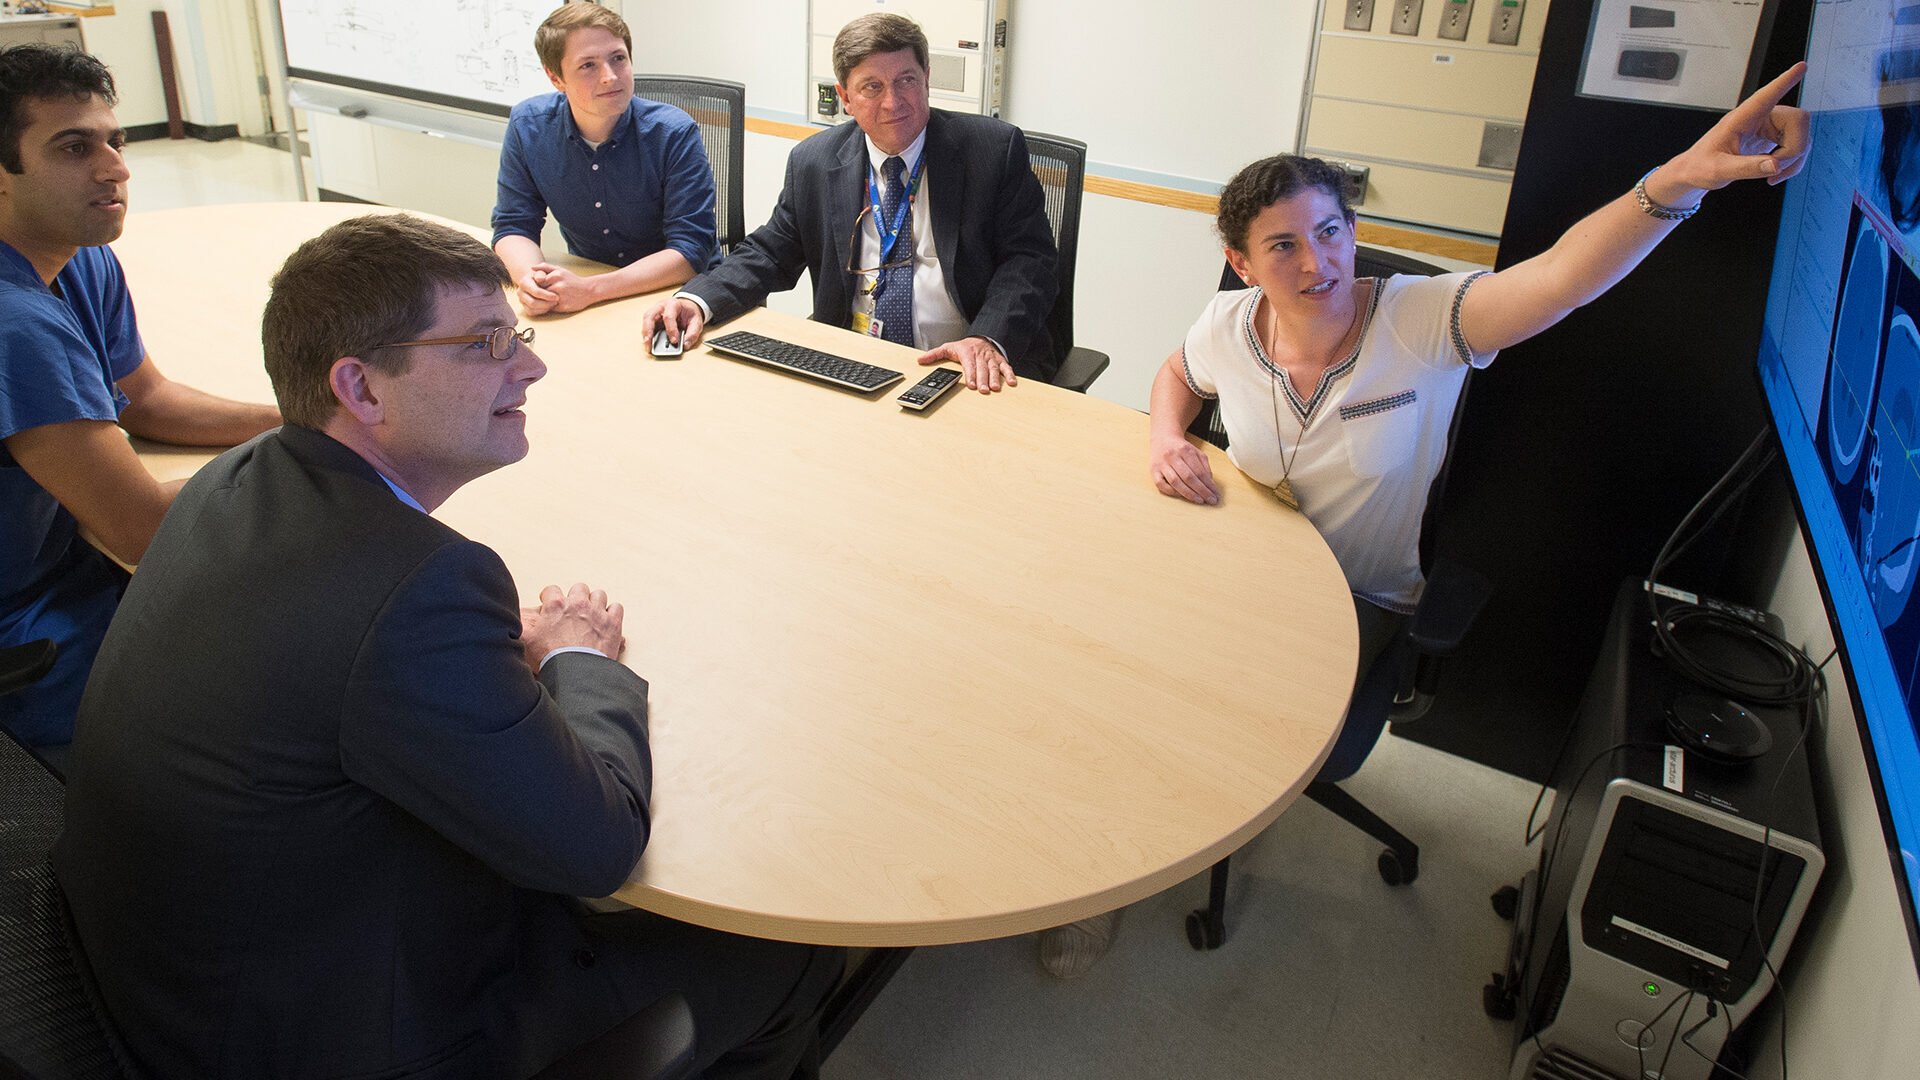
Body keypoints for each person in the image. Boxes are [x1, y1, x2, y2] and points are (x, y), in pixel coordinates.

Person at [1034, 63, 1816, 982]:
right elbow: (1176, 374)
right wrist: (1166, 437)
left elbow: (1563, 279)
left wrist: (1676, 181)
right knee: (1094, 666)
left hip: (1356, 599)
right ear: (1243, 263)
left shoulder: (1424, 320)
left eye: (1331, 232)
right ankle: (1088, 866)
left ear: (1353, 230)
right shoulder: (1229, 323)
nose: (1317, 262)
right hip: (1234, 564)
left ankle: (1121, 867)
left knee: (1184, 713)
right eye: (1282, 246)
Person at [54, 214, 841, 1080]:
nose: (531, 365)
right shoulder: (420, 589)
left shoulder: (230, 481)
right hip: (328, 1037)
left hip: (176, 979)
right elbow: (598, 847)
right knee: (785, 952)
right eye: (486, 343)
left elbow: (348, 660)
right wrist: (584, 661)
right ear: (361, 388)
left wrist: (483, 657)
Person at [0, 44, 280, 761]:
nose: (116, 168)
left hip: (72, 562)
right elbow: (143, 530)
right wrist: (324, 451)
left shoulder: (78, 251)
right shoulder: (16, 325)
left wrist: (299, 416)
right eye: (73, 147)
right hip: (29, 622)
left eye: (115, 141)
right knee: (273, 729)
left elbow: (144, 399)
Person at [640, 12, 1059, 393]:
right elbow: (768, 253)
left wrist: (986, 338)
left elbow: (1030, 261)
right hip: (857, 364)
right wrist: (694, 300)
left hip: (964, 369)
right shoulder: (814, 162)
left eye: (906, 80)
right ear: (845, 97)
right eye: (872, 87)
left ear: (927, 77)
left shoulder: (991, 150)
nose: (893, 102)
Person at [492, 2, 718, 316]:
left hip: (675, 297)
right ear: (556, 78)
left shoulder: (673, 133)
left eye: (618, 59)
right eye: (588, 66)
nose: (610, 77)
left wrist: (593, 290)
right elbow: (514, 225)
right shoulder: (528, 126)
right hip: (586, 288)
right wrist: (531, 280)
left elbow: (691, 250)